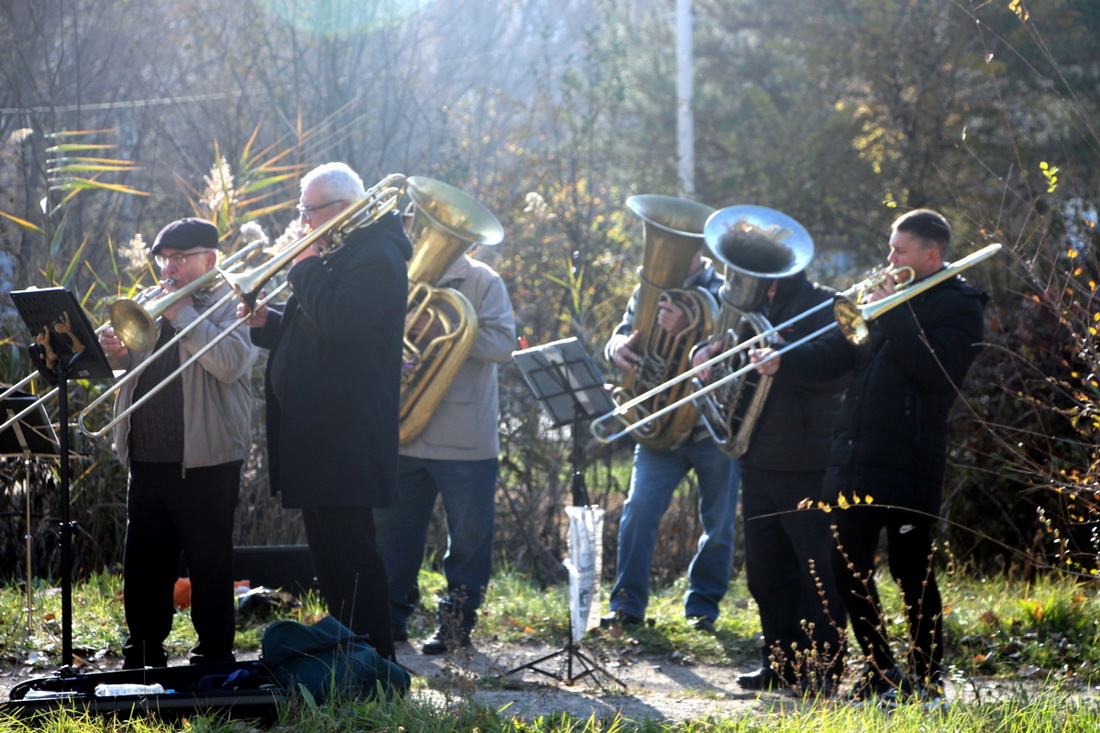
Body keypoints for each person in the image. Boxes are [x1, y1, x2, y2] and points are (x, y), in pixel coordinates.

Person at [753, 209, 988, 700]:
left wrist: (891, 311)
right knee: (846, 568)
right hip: (855, 456)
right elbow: (839, 356)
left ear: (931, 256)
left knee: (911, 572)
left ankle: (926, 677)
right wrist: (783, 360)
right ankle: (880, 670)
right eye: (890, 247)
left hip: (910, 459)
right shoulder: (888, 301)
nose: (889, 258)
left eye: (900, 250)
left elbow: (934, 370)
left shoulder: (961, 306)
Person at [244, 162, 411, 661]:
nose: (302, 222)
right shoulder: (341, 252)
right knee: (330, 559)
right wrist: (266, 322)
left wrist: (303, 268)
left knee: (352, 556)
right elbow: (316, 331)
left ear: (342, 209)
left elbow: (339, 322)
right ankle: (349, 658)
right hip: (317, 433)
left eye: (308, 211)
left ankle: (377, 664)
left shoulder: (378, 254)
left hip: (346, 436)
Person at [99, 217, 258, 669]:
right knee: (145, 564)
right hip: (147, 456)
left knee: (210, 563)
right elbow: (137, 371)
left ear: (210, 259)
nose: (169, 268)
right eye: (164, 258)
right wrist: (116, 355)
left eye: (180, 258)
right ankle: (143, 651)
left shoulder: (234, 302)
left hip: (206, 458)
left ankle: (213, 657)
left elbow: (230, 363)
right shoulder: (152, 300)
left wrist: (184, 314)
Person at [695, 270, 848, 695]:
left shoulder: (827, 303)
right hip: (756, 453)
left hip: (808, 459)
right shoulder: (750, 304)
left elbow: (841, 360)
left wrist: (786, 359)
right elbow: (729, 349)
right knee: (765, 573)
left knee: (817, 572)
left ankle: (824, 668)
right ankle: (780, 663)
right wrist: (704, 354)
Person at [374, 219, 517, 655]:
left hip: (464, 436)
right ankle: (389, 620)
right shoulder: (396, 274)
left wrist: (443, 330)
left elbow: (503, 345)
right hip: (403, 429)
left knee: (469, 541)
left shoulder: (484, 281)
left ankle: (456, 625)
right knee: (392, 536)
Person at [603, 247, 740, 633]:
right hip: (659, 426)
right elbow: (621, 333)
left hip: (710, 427)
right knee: (638, 512)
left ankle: (702, 610)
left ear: (698, 246)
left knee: (718, 525)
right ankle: (626, 607)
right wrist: (617, 348)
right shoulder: (648, 289)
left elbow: (733, 354)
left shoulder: (726, 291)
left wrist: (690, 332)